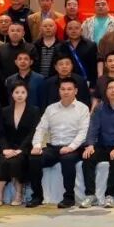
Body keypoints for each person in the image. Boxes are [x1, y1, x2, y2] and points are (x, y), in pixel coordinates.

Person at [27, 78, 91, 209]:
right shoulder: (51, 108)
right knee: (34, 158)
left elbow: (83, 132)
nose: (66, 92)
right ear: (59, 91)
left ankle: (69, 197)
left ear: (76, 91)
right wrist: (37, 145)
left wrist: (71, 147)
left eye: (69, 89)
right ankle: (37, 196)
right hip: (53, 147)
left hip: (74, 147)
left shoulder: (83, 109)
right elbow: (41, 128)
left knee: (67, 159)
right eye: (63, 89)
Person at [79, 77, 114, 209]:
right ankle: (90, 195)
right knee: (88, 157)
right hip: (102, 145)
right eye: (110, 88)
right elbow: (93, 128)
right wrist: (90, 145)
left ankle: (110, 195)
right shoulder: (99, 108)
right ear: (106, 91)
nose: (113, 90)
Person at [0, 82, 39, 207]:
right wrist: (5, 148)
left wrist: (21, 149)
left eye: (23, 92)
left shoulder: (34, 111)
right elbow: (0, 133)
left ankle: (19, 193)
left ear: (27, 94)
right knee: (2, 160)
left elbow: (33, 132)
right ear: (12, 94)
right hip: (7, 147)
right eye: (17, 92)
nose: (20, 95)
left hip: (25, 147)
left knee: (16, 161)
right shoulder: (4, 111)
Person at [0, 22, 34, 104]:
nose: (15, 33)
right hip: (4, 87)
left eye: (18, 31)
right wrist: (5, 80)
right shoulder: (1, 48)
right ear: (8, 32)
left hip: (27, 86)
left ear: (23, 33)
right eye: (12, 30)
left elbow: (35, 66)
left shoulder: (30, 48)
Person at [62, 19, 98, 90]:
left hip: (85, 83)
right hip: (65, 84)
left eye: (76, 28)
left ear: (81, 30)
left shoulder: (91, 45)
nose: (73, 31)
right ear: (66, 31)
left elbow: (94, 68)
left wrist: (93, 86)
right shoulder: (61, 46)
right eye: (70, 28)